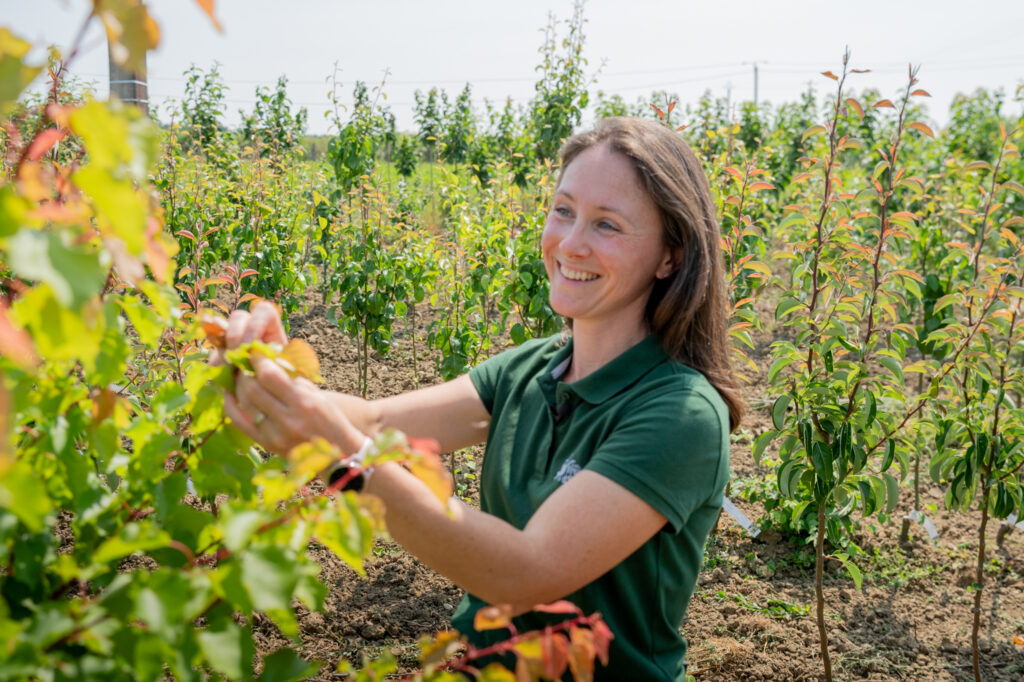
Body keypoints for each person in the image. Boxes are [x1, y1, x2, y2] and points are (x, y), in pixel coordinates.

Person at [222, 116, 743, 681]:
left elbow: (525, 571)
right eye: (563, 210)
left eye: (607, 225)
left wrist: (342, 459)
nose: (570, 243)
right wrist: (269, 375)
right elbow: (373, 421)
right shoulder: (532, 368)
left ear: (670, 256)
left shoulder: (680, 414)